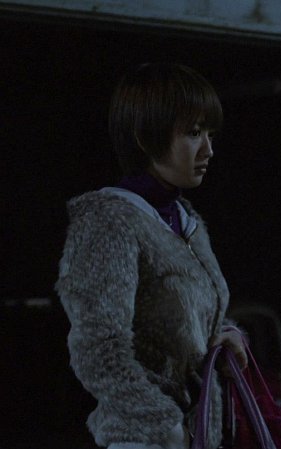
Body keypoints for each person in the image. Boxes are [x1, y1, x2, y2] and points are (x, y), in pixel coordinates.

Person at [55, 63, 247, 449]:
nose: (208, 150)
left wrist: (225, 335)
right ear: (146, 137)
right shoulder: (109, 220)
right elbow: (97, 348)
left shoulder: (184, 220)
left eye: (210, 134)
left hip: (195, 437)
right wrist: (166, 427)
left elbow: (179, 319)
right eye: (193, 133)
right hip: (147, 440)